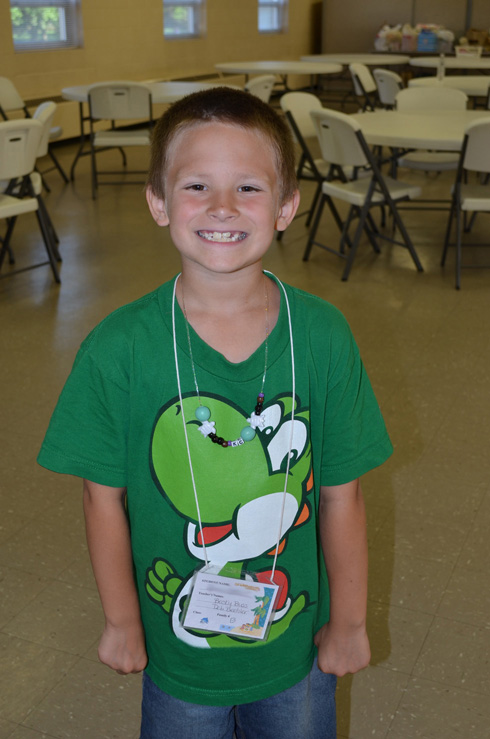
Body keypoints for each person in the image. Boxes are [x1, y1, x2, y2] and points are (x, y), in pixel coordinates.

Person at [38, 87, 393, 738]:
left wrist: (349, 621)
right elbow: (101, 498)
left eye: (249, 189)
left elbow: (344, 495)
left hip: (296, 651)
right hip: (181, 659)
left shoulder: (322, 335)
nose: (223, 207)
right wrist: (121, 621)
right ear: (158, 201)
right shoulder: (119, 348)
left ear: (286, 207)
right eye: (197, 185)